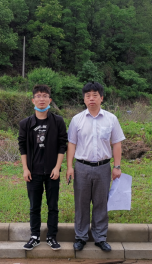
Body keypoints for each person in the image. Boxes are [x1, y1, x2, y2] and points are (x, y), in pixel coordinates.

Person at [65, 82, 125, 252]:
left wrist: (117, 166)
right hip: (81, 167)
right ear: (84, 99)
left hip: (103, 167)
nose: (91, 98)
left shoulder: (111, 119)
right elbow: (71, 144)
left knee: (101, 203)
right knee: (81, 203)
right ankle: (81, 237)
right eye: (88, 96)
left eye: (95, 95)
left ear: (101, 98)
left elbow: (117, 143)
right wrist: (69, 167)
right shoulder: (77, 120)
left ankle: (100, 237)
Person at [18, 84, 68, 251]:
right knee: (34, 206)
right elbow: (22, 147)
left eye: (45, 96)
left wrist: (57, 167)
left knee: (53, 205)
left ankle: (52, 236)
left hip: (52, 171)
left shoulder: (58, 121)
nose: (41, 99)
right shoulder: (26, 123)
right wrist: (25, 169)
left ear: (49, 100)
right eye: (38, 96)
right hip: (33, 172)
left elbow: (62, 145)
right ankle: (35, 236)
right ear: (33, 100)